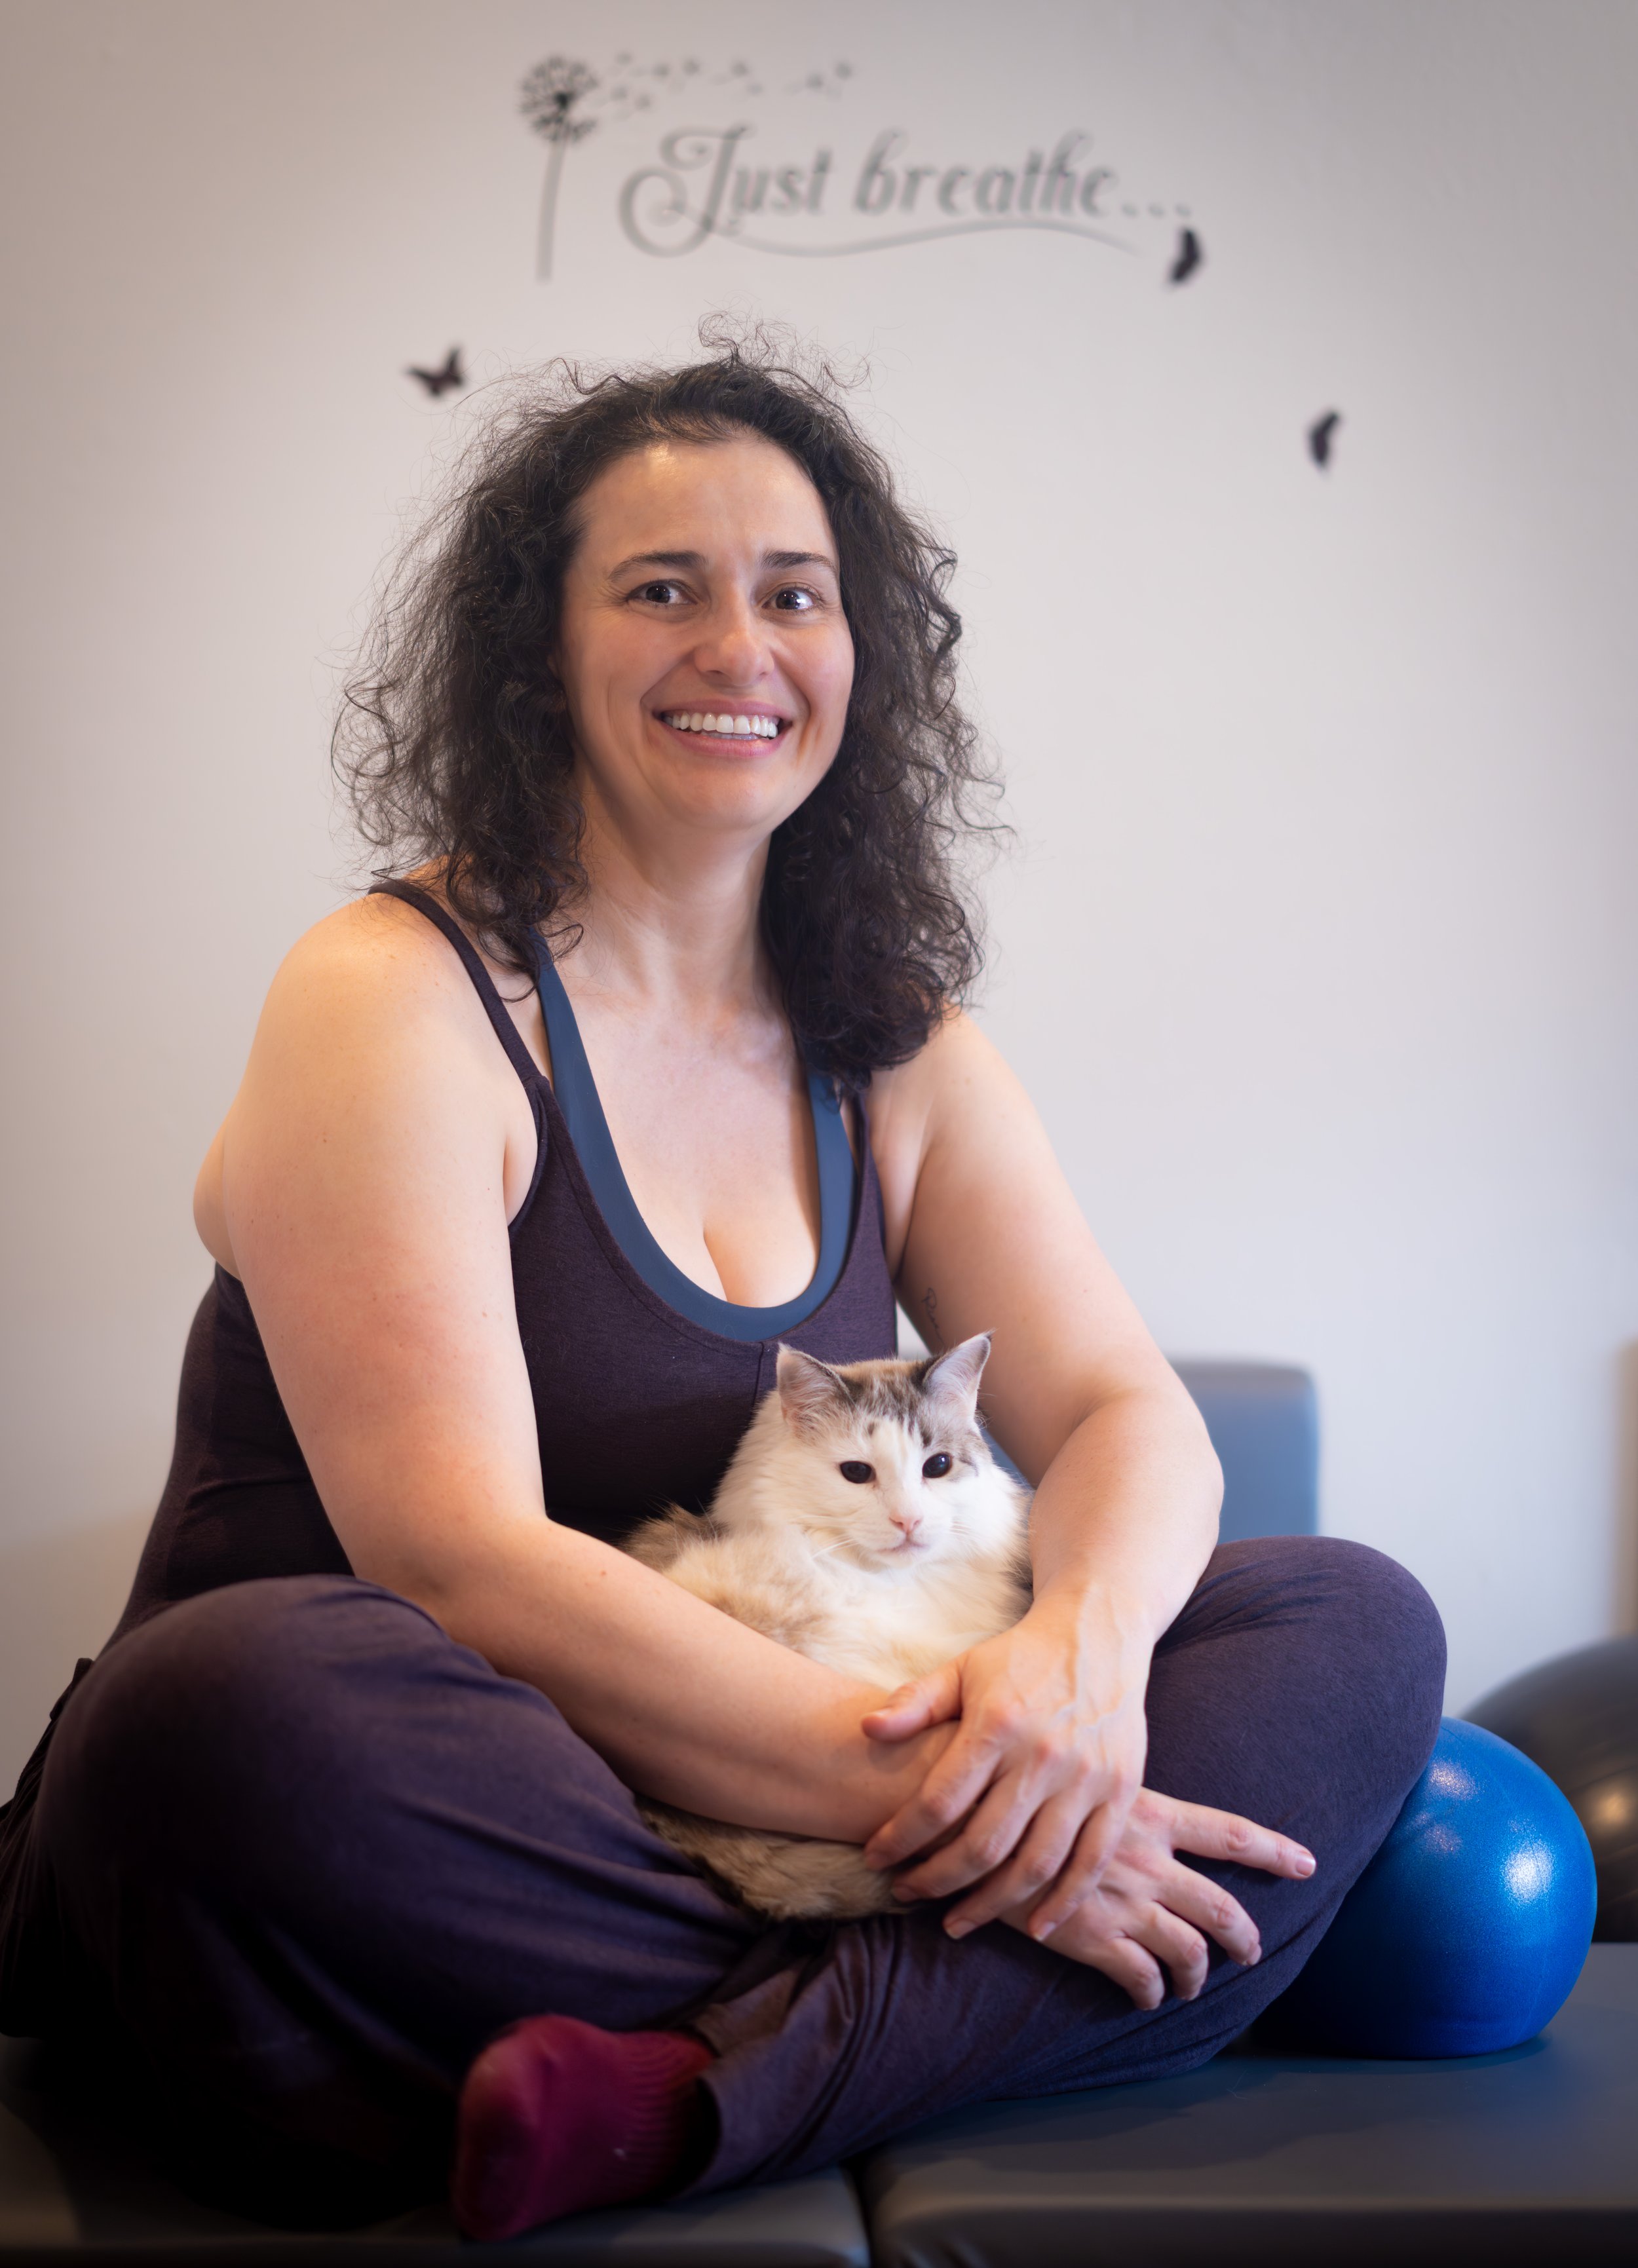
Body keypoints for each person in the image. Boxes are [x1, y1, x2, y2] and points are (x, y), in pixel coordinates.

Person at [0, 341, 1443, 2240]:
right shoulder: (394, 994)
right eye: (661, 588)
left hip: (716, 1859)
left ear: (864, 658)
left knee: (1345, 1624)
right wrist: (1016, 1837)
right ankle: (1019, 1992)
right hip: (420, 1816)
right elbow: (456, 1562)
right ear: (538, 652)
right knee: (236, 1701)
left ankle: (669, 2097)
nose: (737, 646)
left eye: (794, 594)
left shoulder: (893, 1043)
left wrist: (1081, 1676)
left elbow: (1117, 1416)